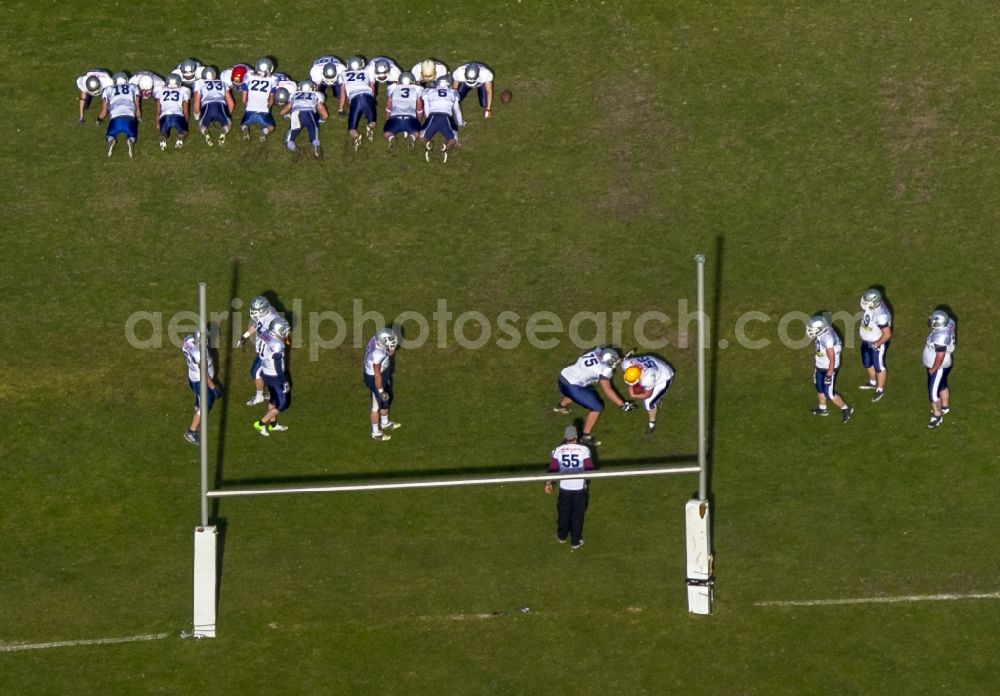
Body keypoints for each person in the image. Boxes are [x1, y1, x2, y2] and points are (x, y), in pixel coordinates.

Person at [553, 346, 633, 446]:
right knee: (597, 407)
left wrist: (617, 359)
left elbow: (604, 353)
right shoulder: (605, 370)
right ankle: (585, 436)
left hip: (563, 376)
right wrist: (623, 404)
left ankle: (561, 406)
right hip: (572, 387)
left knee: (584, 392)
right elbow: (607, 390)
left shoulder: (595, 352)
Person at [545, 425, 595, 550]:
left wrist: (548, 483)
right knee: (578, 515)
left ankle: (561, 536)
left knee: (563, 512)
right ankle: (575, 541)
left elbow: (553, 468)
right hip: (578, 488)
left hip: (564, 487)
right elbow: (589, 468)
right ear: (576, 437)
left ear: (564, 437)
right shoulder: (584, 450)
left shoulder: (558, 450)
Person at [805, 315, 854, 423]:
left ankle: (846, 409)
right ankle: (823, 409)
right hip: (820, 365)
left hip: (828, 368)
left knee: (829, 394)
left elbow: (832, 359)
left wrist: (829, 374)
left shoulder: (828, 339)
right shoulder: (824, 332)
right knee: (819, 386)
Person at [253, 318, 291, 437]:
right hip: (274, 375)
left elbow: (258, 330)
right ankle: (261, 423)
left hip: (266, 371)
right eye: (284, 330)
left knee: (274, 399)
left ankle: (273, 424)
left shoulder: (266, 334)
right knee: (282, 405)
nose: (286, 332)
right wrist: (284, 380)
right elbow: (278, 365)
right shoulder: (277, 344)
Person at [238, 295, 279, 406]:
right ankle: (269, 394)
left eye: (256, 311)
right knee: (264, 373)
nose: (253, 313)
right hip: (264, 350)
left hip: (267, 354)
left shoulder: (271, 322)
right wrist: (245, 336)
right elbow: (256, 324)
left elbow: (273, 338)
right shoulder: (267, 312)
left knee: (256, 373)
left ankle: (261, 396)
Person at [181, 332, 221, 445]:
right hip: (202, 380)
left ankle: (197, 412)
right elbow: (204, 372)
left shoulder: (188, 341)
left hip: (193, 376)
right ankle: (191, 432)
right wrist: (213, 387)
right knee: (205, 405)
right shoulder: (200, 353)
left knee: (199, 401)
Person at [621, 353, 674, 434]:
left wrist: (633, 395)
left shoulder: (647, 378)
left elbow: (647, 394)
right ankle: (657, 398)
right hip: (655, 365)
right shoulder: (626, 364)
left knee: (649, 403)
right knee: (647, 391)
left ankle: (652, 423)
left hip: (664, 377)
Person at [364, 327, 401, 441]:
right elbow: (377, 374)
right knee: (376, 406)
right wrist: (380, 390)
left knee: (387, 399)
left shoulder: (375, 340)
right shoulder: (378, 354)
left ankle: (385, 423)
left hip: (382, 374)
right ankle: (376, 433)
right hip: (376, 379)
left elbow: (389, 354)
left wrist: (391, 348)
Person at [418, 76, 465, 163]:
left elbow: (426, 106)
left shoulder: (429, 91)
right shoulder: (453, 92)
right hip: (445, 117)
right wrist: (460, 122)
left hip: (433, 116)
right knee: (453, 139)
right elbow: (456, 109)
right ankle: (446, 148)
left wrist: (428, 117)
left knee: (422, 137)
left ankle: (427, 146)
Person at [858, 288, 892, 402]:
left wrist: (877, 344)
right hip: (866, 340)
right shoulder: (874, 306)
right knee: (866, 362)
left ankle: (880, 389)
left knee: (879, 366)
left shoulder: (880, 315)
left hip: (875, 342)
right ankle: (872, 382)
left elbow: (887, 334)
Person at [924, 309, 956, 429]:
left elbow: (940, 356)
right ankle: (945, 406)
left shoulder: (941, 337)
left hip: (939, 366)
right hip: (944, 363)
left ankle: (937, 416)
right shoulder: (950, 322)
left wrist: (934, 369)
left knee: (933, 394)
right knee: (942, 385)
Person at [281, 80, 329, 160]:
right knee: (314, 137)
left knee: (288, 140)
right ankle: (316, 147)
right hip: (309, 114)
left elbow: (283, 111)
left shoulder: (294, 95)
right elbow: (324, 113)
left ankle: (293, 148)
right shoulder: (316, 95)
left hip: (296, 114)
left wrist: (287, 115)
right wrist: (322, 118)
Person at [337, 55, 376, 151]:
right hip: (367, 96)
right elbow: (372, 87)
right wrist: (372, 99)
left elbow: (343, 93)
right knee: (372, 121)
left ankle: (356, 136)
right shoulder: (368, 71)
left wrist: (341, 107)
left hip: (355, 99)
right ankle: (370, 126)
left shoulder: (343, 74)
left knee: (351, 129)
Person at [98, 73, 141, 158]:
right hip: (129, 118)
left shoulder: (108, 89)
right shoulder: (133, 87)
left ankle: (111, 140)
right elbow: (137, 105)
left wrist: (99, 119)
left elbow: (104, 111)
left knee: (109, 135)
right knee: (132, 135)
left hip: (115, 119)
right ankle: (130, 141)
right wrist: (138, 117)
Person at [193, 66, 235, 146]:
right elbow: (231, 103)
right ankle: (224, 130)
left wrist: (197, 115)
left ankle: (205, 131)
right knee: (227, 124)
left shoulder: (199, 82)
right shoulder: (222, 83)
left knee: (202, 124)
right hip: (220, 105)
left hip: (207, 106)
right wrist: (227, 113)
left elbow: (196, 103)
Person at [240, 57, 278, 142]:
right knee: (271, 127)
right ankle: (263, 132)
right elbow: (271, 100)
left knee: (242, 124)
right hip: (263, 111)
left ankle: (245, 128)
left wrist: (249, 104)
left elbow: (243, 100)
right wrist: (268, 108)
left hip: (250, 110)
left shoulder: (249, 77)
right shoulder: (273, 79)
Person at [383, 71, 423, 150]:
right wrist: (419, 117)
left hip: (395, 117)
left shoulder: (393, 87)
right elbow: (419, 104)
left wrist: (388, 116)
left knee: (387, 133)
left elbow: (389, 102)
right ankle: (412, 138)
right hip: (410, 118)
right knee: (416, 133)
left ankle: (391, 138)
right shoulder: (417, 89)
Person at [155, 73, 191, 151]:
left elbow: (158, 109)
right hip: (177, 115)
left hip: (165, 115)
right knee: (184, 131)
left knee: (164, 132)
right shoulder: (184, 90)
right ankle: (180, 136)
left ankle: (163, 137)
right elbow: (185, 108)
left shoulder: (161, 90)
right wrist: (186, 119)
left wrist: (157, 121)